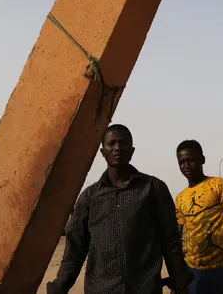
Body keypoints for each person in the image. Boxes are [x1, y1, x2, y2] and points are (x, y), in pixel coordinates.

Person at [48, 124, 190, 294]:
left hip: (144, 288)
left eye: (123, 143)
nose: (117, 148)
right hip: (101, 289)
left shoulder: (153, 188)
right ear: (102, 151)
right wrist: (60, 285)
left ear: (132, 150)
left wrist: (180, 281)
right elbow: (75, 247)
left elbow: (170, 240)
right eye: (111, 143)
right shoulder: (89, 197)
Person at [175, 140, 223, 294]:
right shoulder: (180, 198)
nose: (186, 166)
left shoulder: (219, 185)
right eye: (182, 162)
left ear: (202, 159)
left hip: (219, 270)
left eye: (191, 160)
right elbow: (181, 234)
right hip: (191, 272)